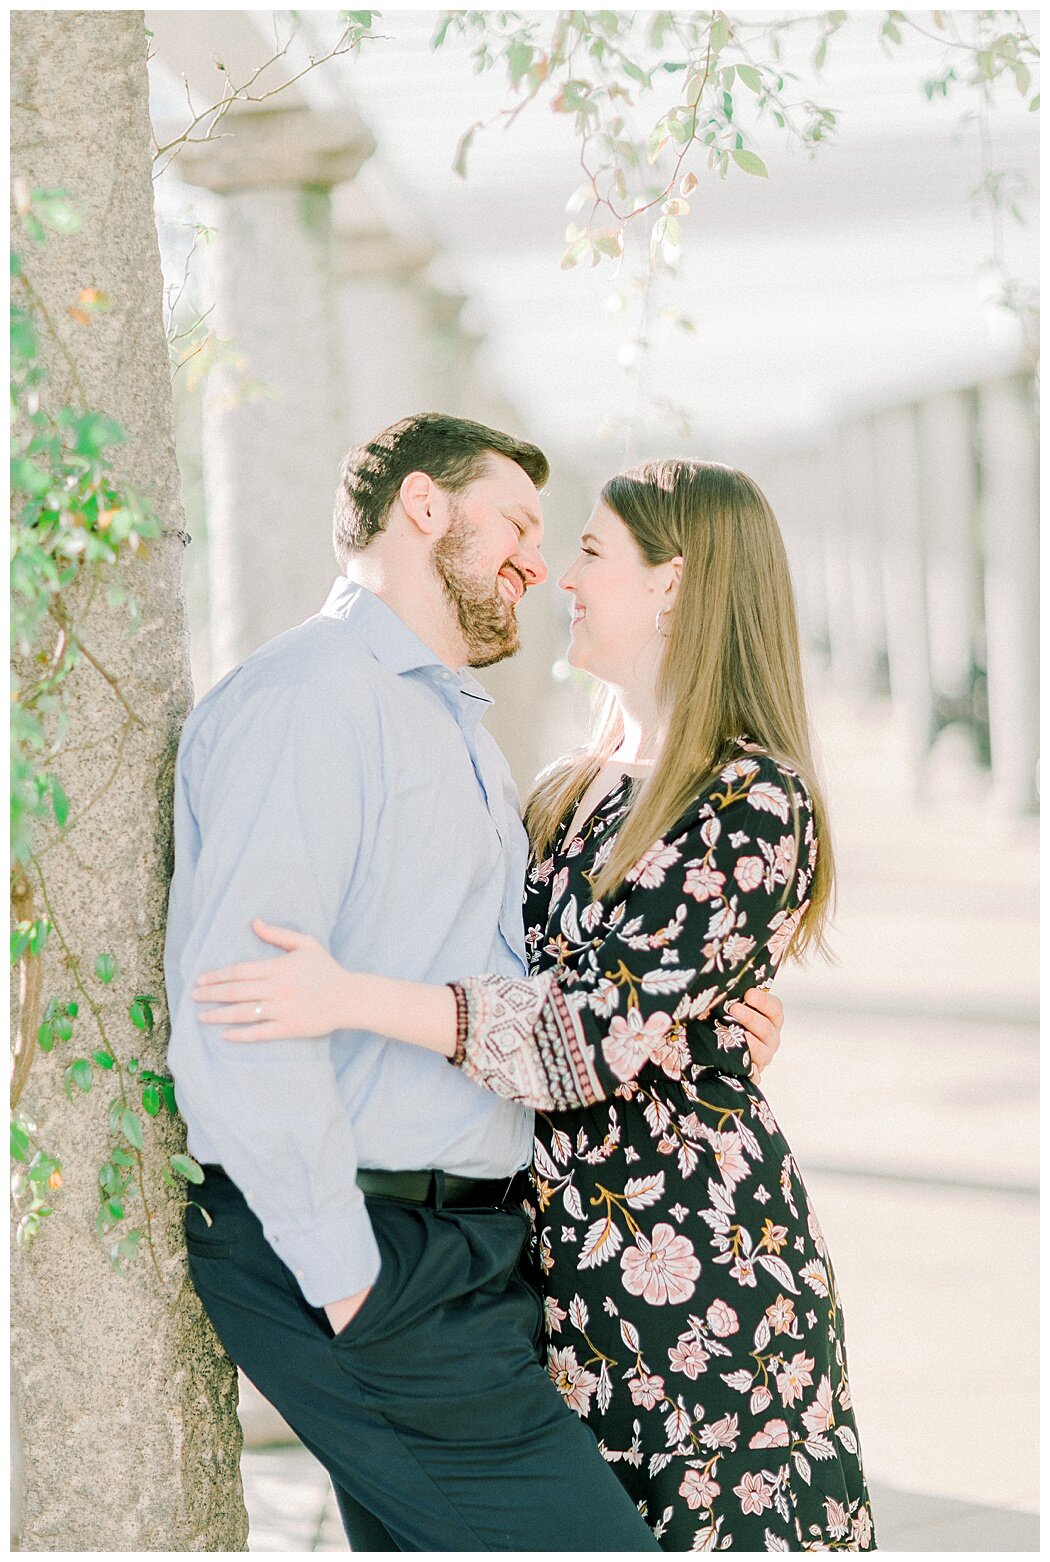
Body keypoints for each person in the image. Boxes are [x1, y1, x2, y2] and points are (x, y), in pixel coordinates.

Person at [195, 458, 876, 1551]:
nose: (561, 571)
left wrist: (341, 996)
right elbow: (506, 965)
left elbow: (579, 1034)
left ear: (673, 582)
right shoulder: (570, 785)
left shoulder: (753, 799)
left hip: (693, 1273)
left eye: (594, 551)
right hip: (554, 1280)